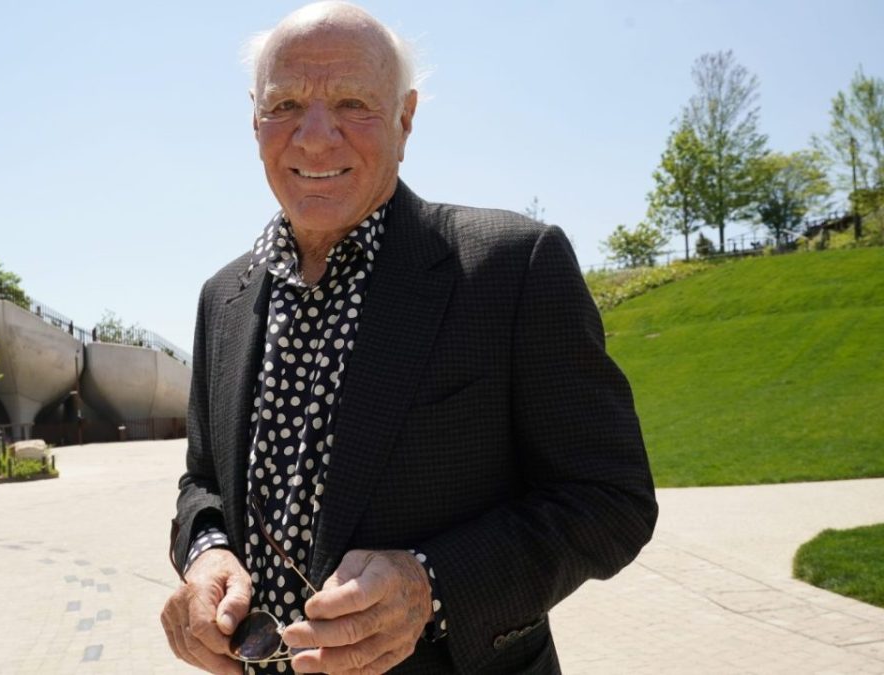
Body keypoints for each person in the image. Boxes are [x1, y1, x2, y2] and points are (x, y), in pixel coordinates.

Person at [160, 3, 658, 673]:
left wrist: (431, 585)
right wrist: (205, 552)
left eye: (352, 103)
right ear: (255, 118)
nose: (315, 137)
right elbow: (202, 483)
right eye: (285, 104)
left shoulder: (511, 267)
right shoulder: (221, 298)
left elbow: (610, 499)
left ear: (406, 117)